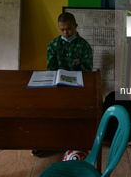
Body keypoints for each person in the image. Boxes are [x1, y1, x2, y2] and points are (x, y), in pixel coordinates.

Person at [31, 12, 93, 157]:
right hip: (57, 87)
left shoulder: (84, 46)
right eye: (62, 29)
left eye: (69, 29)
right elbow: (51, 69)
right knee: (45, 109)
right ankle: (48, 142)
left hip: (77, 89)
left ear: (76, 27)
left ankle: (78, 143)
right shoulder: (53, 44)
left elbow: (88, 71)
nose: (65, 33)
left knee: (78, 113)